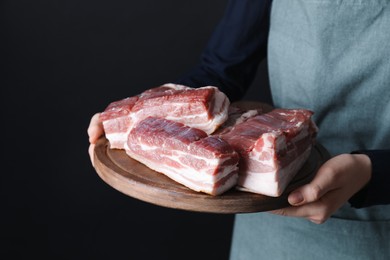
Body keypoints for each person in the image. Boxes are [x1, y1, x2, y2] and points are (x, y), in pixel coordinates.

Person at [88, 0, 390, 259]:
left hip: (376, 228)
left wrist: (373, 173)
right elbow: (222, 69)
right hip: (266, 193)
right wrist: (146, 109)